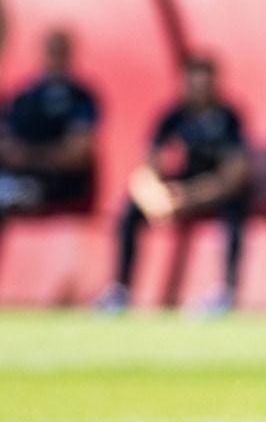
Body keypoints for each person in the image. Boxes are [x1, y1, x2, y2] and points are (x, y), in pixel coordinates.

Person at [96, 55, 252, 314]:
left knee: (235, 211)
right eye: (194, 83)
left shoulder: (229, 119)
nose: (199, 90)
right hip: (176, 194)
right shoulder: (172, 117)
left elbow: (234, 176)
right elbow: (146, 169)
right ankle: (120, 290)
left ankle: (226, 291)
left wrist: (189, 197)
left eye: (205, 84)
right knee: (129, 211)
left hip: (210, 194)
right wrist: (158, 199)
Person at [0, 29, 98, 218]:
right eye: (51, 50)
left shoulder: (80, 97)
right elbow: (7, 146)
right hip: (19, 181)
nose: (55, 57)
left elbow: (77, 155)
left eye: (60, 51)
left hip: (60, 186)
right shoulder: (25, 96)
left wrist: (31, 156)